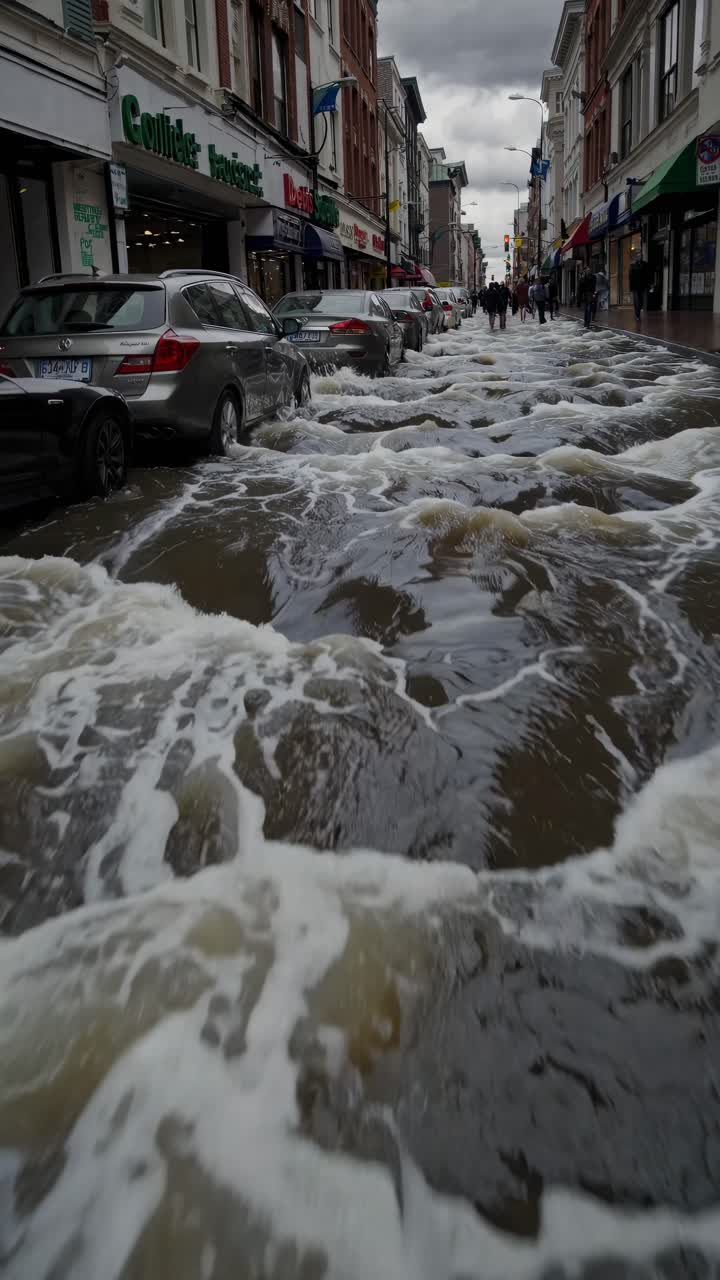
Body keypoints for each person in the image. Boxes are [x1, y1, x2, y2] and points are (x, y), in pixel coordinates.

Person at [629, 257, 651, 321]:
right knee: (636, 301)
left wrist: (648, 284)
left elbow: (647, 275)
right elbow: (630, 276)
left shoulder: (645, 264)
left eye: (640, 255)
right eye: (637, 255)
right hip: (635, 286)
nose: (638, 257)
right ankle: (637, 315)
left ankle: (638, 312)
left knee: (640, 300)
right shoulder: (632, 265)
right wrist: (631, 287)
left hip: (642, 286)